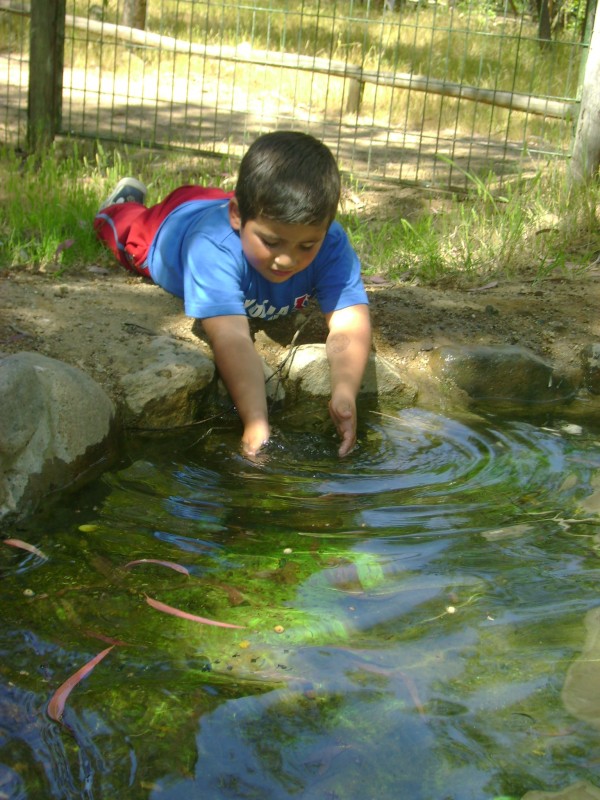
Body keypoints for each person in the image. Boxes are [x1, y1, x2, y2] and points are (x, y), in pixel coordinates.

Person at [94, 131, 371, 457]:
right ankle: (121, 204)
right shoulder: (211, 249)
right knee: (121, 228)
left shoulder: (331, 242)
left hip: (224, 205)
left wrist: (344, 390)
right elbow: (231, 337)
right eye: (271, 242)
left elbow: (349, 322)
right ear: (237, 216)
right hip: (170, 225)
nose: (288, 259)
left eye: (307, 246)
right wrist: (256, 421)